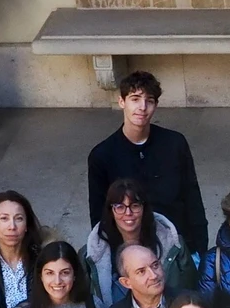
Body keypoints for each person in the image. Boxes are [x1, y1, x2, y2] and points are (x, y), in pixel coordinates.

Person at [87, 71, 207, 256]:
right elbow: (99, 216)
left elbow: (192, 199)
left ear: (155, 105)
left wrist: (200, 249)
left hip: (178, 247)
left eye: (149, 100)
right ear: (121, 102)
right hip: (130, 252)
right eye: (135, 99)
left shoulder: (175, 143)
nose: (142, 107)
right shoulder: (102, 155)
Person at [83, 179, 188, 308]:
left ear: (144, 208)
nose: (128, 213)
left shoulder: (173, 244)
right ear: (111, 211)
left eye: (135, 206)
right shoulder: (91, 254)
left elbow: (190, 290)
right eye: (120, 207)